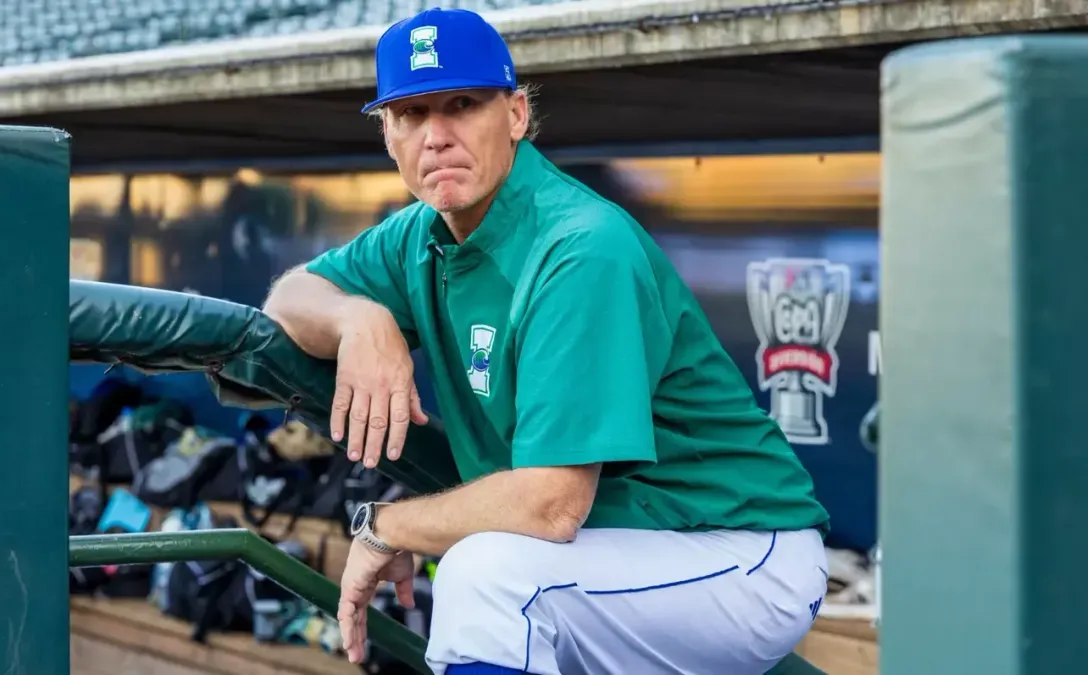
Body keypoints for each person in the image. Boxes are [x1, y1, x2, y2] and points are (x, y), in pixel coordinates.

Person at [262, 8, 831, 675]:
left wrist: (385, 526)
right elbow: (288, 297)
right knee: (496, 576)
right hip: (622, 548)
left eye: (462, 104)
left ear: (515, 115)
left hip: (738, 549)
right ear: (387, 134)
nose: (436, 136)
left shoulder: (578, 246)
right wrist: (361, 320)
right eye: (411, 114)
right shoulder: (420, 232)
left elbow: (552, 503)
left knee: (490, 577)